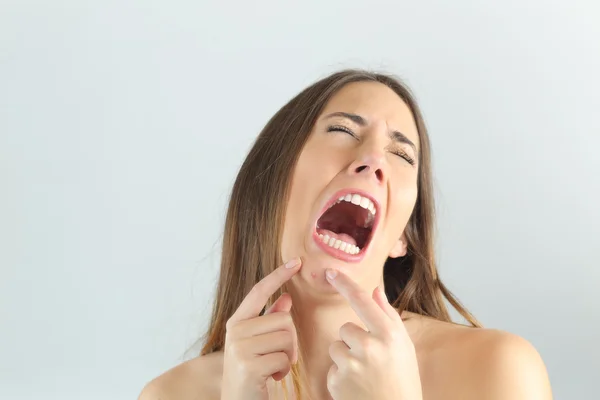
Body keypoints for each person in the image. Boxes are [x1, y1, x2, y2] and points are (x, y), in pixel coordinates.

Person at [139, 69, 552, 400]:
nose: (373, 160)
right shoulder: (171, 395)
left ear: (400, 239)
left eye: (402, 154)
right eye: (342, 131)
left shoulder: (498, 371)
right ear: (272, 186)